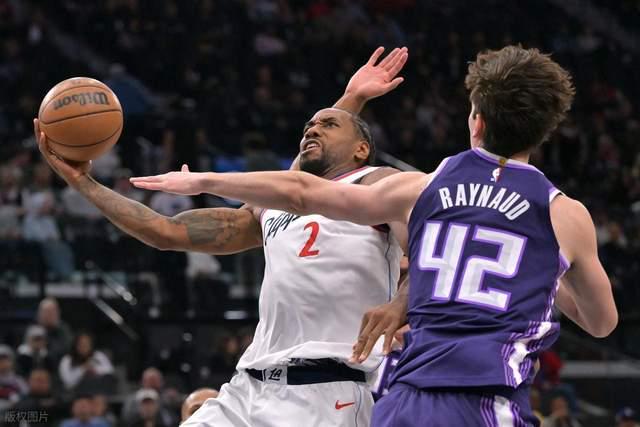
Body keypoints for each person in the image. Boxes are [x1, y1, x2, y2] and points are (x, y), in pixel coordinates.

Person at [131, 45, 618, 426]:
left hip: (404, 397)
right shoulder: (564, 215)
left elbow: (303, 190)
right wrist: (548, 271)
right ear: (546, 130)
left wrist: (204, 180)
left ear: (477, 121)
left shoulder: (424, 188)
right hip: (487, 398)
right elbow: (601, 323)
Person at [35, 47, 409, 427]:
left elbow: (433, 252)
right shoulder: (268, 210)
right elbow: (164, 231)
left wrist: (401, 302)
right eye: (308, 127)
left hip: (327, 389)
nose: (312, 130)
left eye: (328, 125)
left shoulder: (379, 186)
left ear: (362, 149)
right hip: (248, 388)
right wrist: (82, 182)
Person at [35, 298, 73, 365]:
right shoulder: (33, 329)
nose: (49, 315)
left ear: (58, 313)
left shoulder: (64, 330)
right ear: (39, 314)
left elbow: (67, 349)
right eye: (46, 312)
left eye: (52, 312)